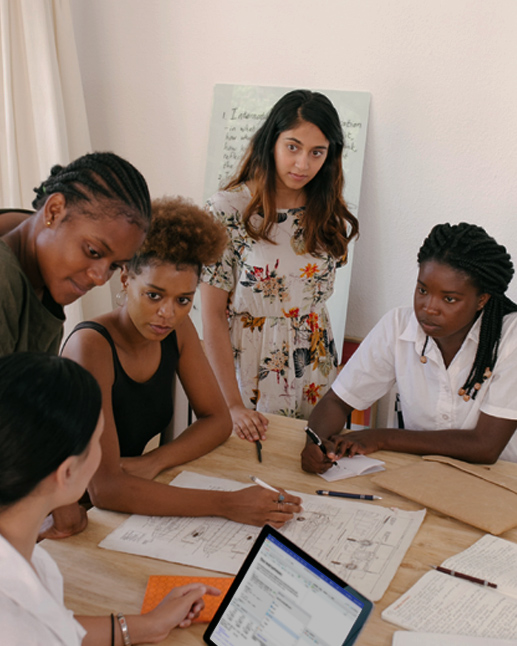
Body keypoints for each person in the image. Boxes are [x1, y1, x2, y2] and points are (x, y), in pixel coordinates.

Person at [61, 196, 302, 527]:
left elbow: (217, 420)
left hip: (129, 500)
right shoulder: (90, 347)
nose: (167, 314)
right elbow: (103, 489)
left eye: (183, 300)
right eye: (154, 295)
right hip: (67, 516)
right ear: (125, 280)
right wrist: (227, 504)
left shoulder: (177, 329)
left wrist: (155, 461)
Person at [0, 352, 219, 645]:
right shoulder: (14, 625)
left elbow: (56, 627)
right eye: (97, 443)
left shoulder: (22, 550)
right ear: (66, 473)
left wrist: (149, 625)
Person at [0, 151, 152, 539]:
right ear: (53, 211)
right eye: (94, 252)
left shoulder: (36, 259)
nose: (101, 276)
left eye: (116, 264)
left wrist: (62, 505)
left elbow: (32, 404)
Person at [200, 89, 359, 443]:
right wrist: (232, 404)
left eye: (316, 152)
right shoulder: (228, 209)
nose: (303, 164)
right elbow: (210, 314)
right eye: (293, 147)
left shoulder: (326, 209)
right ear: (271, 141)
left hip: (316, 365)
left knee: (311, 468)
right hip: (250, 365)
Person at [302, 222, 517, 474]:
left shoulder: (510, 337)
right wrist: (315, 445)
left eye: (449, 299)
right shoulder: (398, 325)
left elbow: (486, 446)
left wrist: (381, 438)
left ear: (482, 299)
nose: (429, 307)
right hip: (420, 474)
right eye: (422, 290)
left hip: (499, 482)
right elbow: (337, 402)